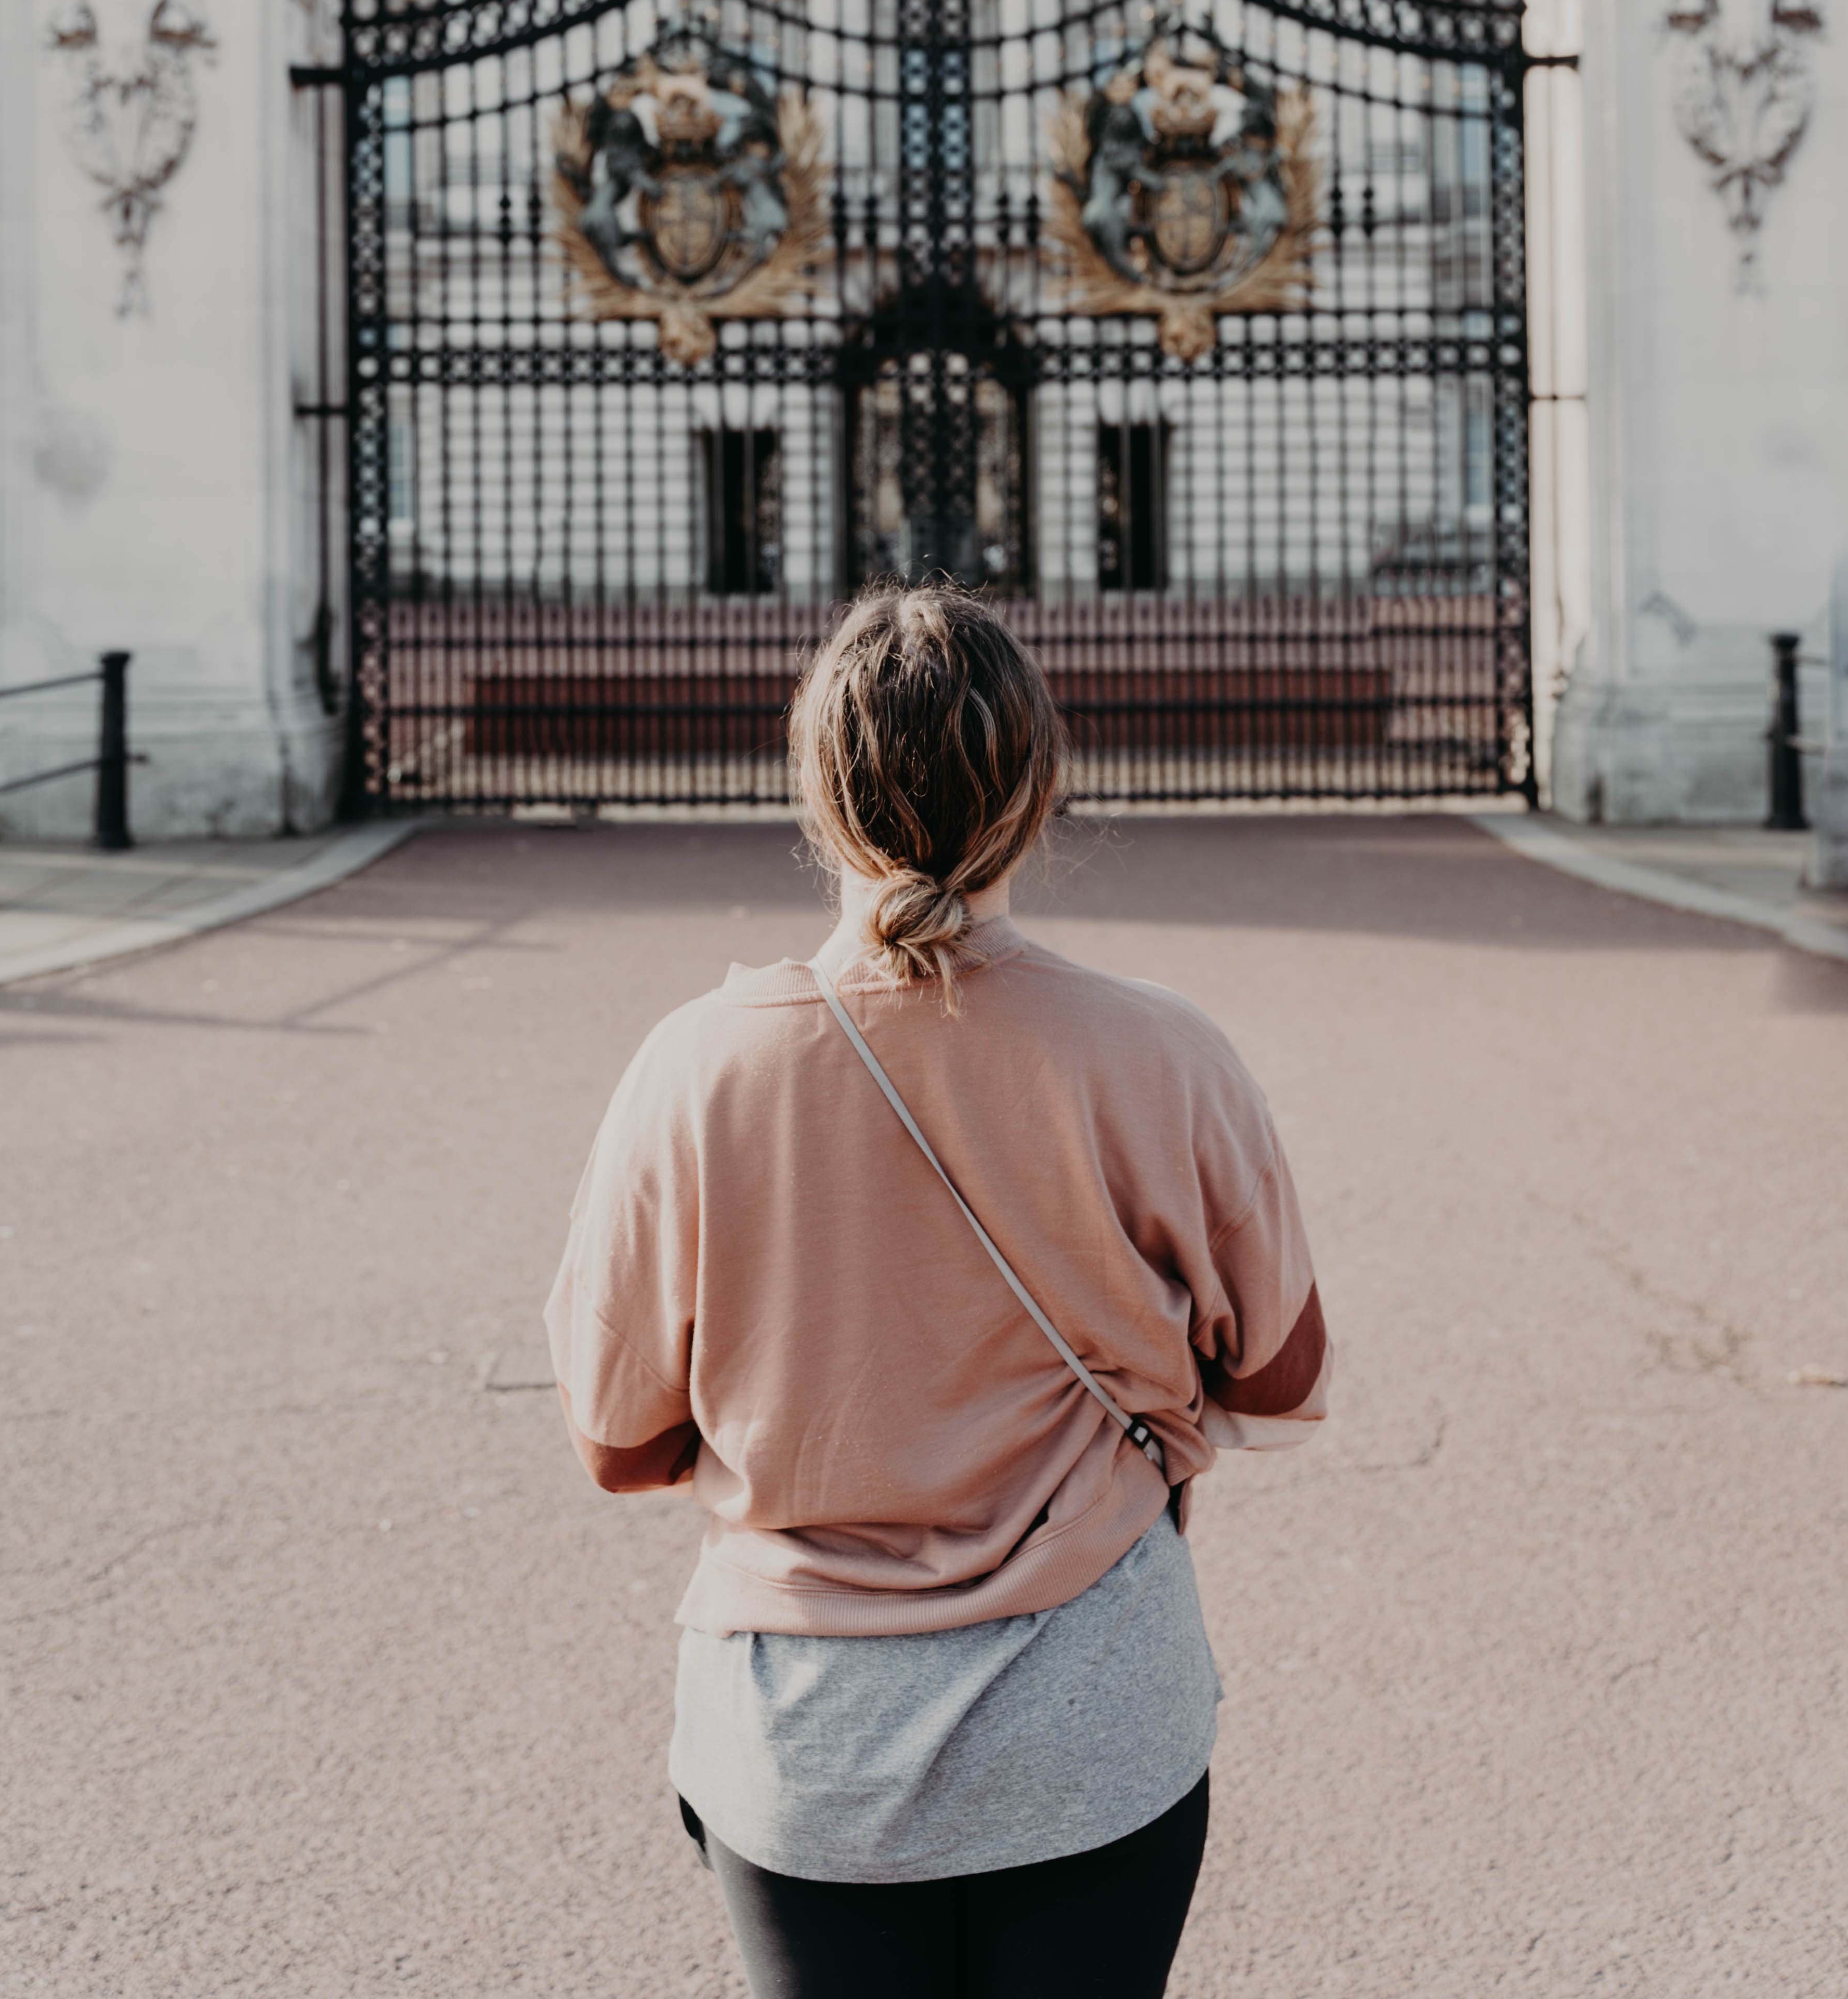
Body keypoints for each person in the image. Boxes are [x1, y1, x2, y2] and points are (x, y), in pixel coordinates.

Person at [545, 583, 1331, 1997]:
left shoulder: (694, 1063)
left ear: (815, 792)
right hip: (1092, 1709)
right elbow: (1276, 1371)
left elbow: (616, 1444)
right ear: (1034, 793)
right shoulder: (1162, 1051)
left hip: (806, 1730)